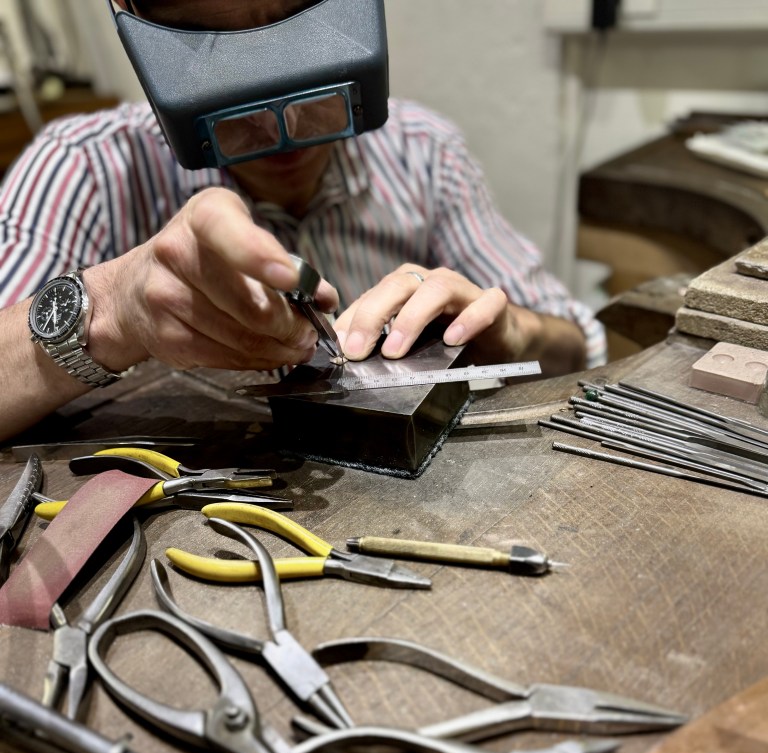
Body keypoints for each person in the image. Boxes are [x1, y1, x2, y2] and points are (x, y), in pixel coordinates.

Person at [0, 0, 606, 443]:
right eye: (218, 60)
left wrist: (511, 334)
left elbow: (579, 348)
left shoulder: (427, 153)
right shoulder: (85, 165)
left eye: (294, 31)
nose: (276, 128)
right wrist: (112, 309)